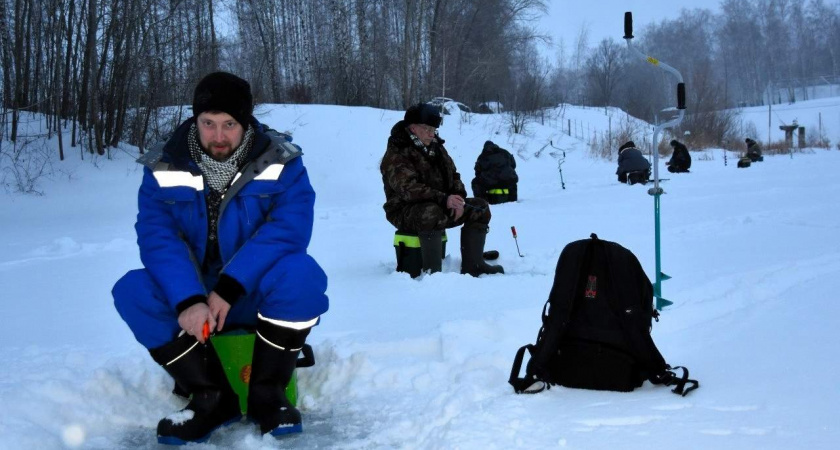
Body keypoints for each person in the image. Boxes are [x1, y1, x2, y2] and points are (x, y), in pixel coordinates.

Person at [111, 72, 329, 444]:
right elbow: (158, 237)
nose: (218, 136)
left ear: (245, 124)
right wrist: (189, 299)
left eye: (229, 124)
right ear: (195, 121)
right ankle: (211, 396)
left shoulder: (282, 162)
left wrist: (229, 287)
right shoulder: (164, 166)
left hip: (250, 295)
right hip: (196, 306)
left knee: (302, 275)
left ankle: (267, 392)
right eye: (208, 123)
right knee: (132, 289)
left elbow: (288, 231)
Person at [380, 102, 503, 277]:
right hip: (404, 210)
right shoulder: (396, 153)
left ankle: (474, 265)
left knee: (480, 207)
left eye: (434, 130)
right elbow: (408, 189)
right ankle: (433, 275)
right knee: (431, 212)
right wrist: (445, 199)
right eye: (427, 129)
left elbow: (454, 175)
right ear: (413, 128)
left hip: (441, 204)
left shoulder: (436, 147)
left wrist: (458, 199)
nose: (432, 134)